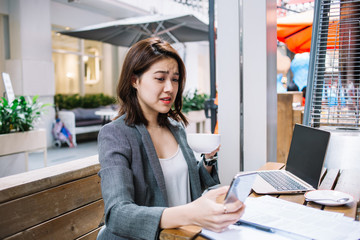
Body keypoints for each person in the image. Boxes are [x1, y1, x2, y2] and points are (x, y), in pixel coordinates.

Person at [97, 37, 245, 240]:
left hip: (185, 234)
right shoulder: (116, 134)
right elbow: (117, 214)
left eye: (175, 79)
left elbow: (190, 183)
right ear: (134, 81)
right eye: (160, 78)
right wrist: (192, 212)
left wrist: (208, 159)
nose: (170, 88)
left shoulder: (175, 128)